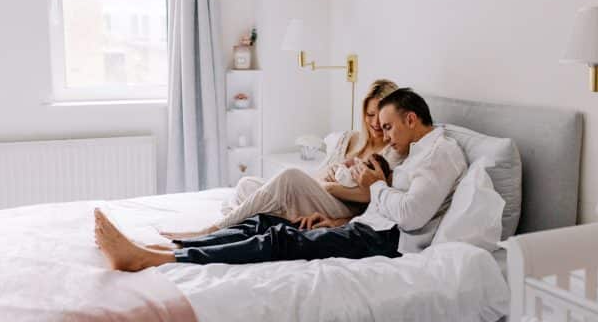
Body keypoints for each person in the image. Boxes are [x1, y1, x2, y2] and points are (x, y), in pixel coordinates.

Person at [95, 88, 468, 271]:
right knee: (264, 221)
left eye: (388, 127)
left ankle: (168, 259)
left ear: (412, 119)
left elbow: (412, 215)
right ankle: (171, 248)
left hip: (384, 241)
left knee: (280, 240)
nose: (385, 135)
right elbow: (381, 204)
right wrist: (340, 219)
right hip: (364, 226)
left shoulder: (441, 154)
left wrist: (375, 188)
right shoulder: (412, 153)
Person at [160, 79, 402, 242]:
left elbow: (373, 198)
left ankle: (212, 231)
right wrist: (321, 182)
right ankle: (255, 226)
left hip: (340, 206)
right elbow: (318, 175)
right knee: (246, 184)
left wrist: (330, 193)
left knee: (289, 177)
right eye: (370, 115)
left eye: (381, 118)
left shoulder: (392, 154)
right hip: (319, 194)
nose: (375, 123)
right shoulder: (349, 139)